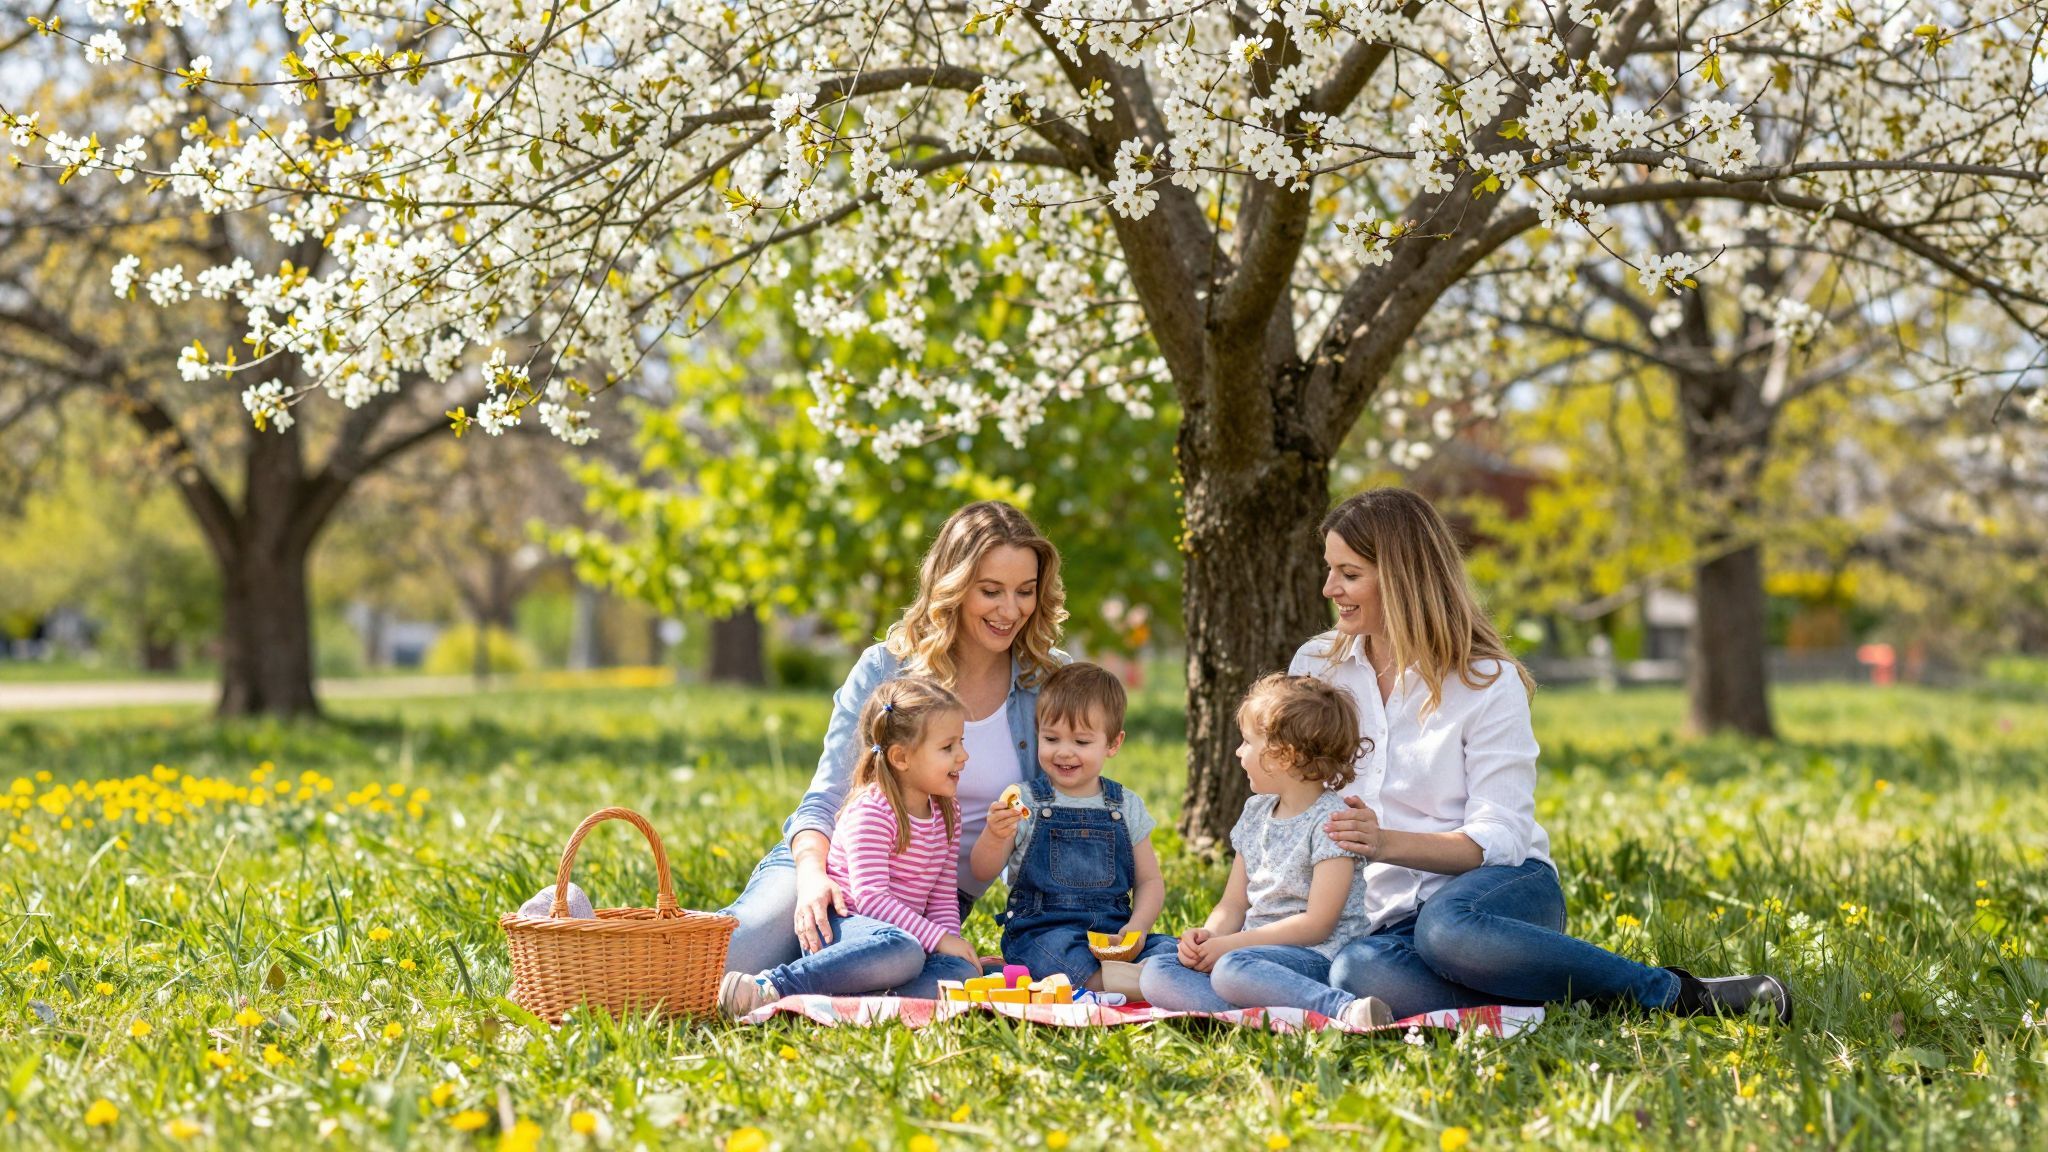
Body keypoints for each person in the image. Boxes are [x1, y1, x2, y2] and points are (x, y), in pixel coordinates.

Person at [1305, 488, 1791, 1023]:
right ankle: (1582, 999)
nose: (1331, 589)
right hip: (1387, 915)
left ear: (1403, 578)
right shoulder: (1316, 667)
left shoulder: (1486, 680)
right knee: (1357, 972)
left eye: (1349, 575)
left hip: (1498, 895)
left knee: (1445, 929)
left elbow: (1501, 834)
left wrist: (1384, 842)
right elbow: (1289, 793)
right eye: (1330, 571)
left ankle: (1674, 994)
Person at [720, 501, 1068, 977]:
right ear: (954, 586)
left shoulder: (1049, 681)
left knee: (911, 974)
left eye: (1025, 592)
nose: (1011, 611)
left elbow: (1065, 814)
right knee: (728, 959)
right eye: (990, 591)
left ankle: (779, 988)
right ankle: (601, 939)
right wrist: (812, 878)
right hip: (834, 866)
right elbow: (825, 799)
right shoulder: (886, 668)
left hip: (927, 901)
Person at [1138, 674, 1394, 1030]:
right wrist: (1210, 937)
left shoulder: (1333, 822)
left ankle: (1342, 1009)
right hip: (1248, 953)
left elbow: (1318, 924)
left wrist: (1231, 946)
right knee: (1157, 972)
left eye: (1247, 742)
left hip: (1313, 958)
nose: (1238, 752)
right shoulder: (1256, 812)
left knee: (1232, 970)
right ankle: (1273, 1017)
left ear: (1283, 756)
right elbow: (1233, 904)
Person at [718, 678, 983, 1012]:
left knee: (958, 974)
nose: (963, 755)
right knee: (903, 951)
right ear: (901, 757)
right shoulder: (872, 811)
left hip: (902, 939)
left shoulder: (948, 812)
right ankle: (774, 986)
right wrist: (937, 940)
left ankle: (846, 1005)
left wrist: (951, 944)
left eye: (961, 742)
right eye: (948, 748)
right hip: (846, 934)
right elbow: (872, 900)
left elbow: (943, 893)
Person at [971, 662, 1176, 990]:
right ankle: (1127, 985)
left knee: (1170, 949)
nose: (1064, 752)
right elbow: (981, 870)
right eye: (1051, 738)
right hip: (1044, 933)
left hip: (1112, 933)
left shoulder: (1124, 805)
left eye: (1081, 742)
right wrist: (995, 835)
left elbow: (1150, 880)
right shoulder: (1027, 801)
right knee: (1054, 958)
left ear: (1113, 743)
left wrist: (1136, 929)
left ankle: (1135, 976)